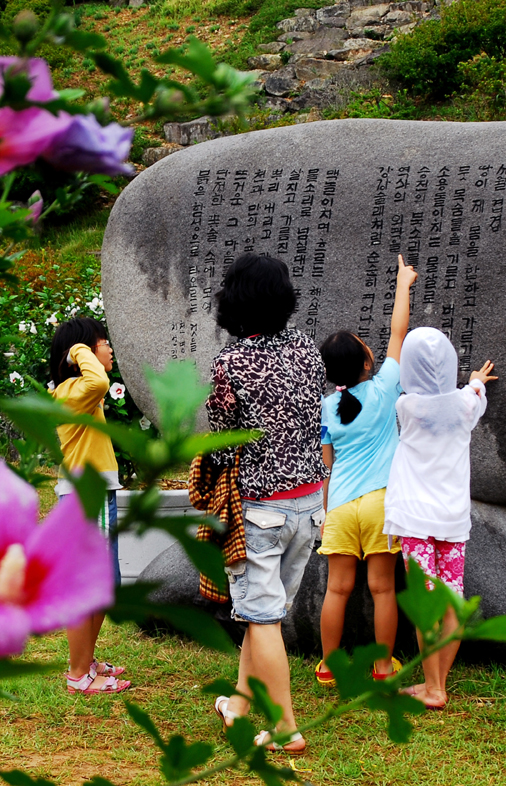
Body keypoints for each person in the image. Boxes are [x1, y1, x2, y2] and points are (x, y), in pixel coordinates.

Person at [207, 252, 326, 754]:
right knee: (263, 615)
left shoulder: (230, 363)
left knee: (262, 618)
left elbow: (222, 439)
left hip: (260, 510)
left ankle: (284, 727)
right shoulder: (307, 348)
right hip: (310, 505)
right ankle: (238, 703)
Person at [315, 254, 417, 687]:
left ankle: (328, 666)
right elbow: (399, 333)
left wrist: (324, 513)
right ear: (367, 362)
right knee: (382, 588)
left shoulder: (326, 407)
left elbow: (326, 465)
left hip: (340, 505)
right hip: (380, 503)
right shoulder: (384, 388)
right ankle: (382, 667)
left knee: (336, 589)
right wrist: (402, 284)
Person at [383, 327, 497, 711]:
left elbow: (421, 393)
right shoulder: (465, 405)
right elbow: (472, 395)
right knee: (451, 603)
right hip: (452, 519)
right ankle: (437, 684)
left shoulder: (407, 407)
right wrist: (476, 382)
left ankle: (433, 688)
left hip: (416, 519)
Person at [49, 316, 130, 696]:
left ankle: (85, 661)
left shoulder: (75, 392)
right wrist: (79, 348)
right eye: (103, 341)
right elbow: (99, 381)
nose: (109, 348)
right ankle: (79, 674)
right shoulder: (73, 389)